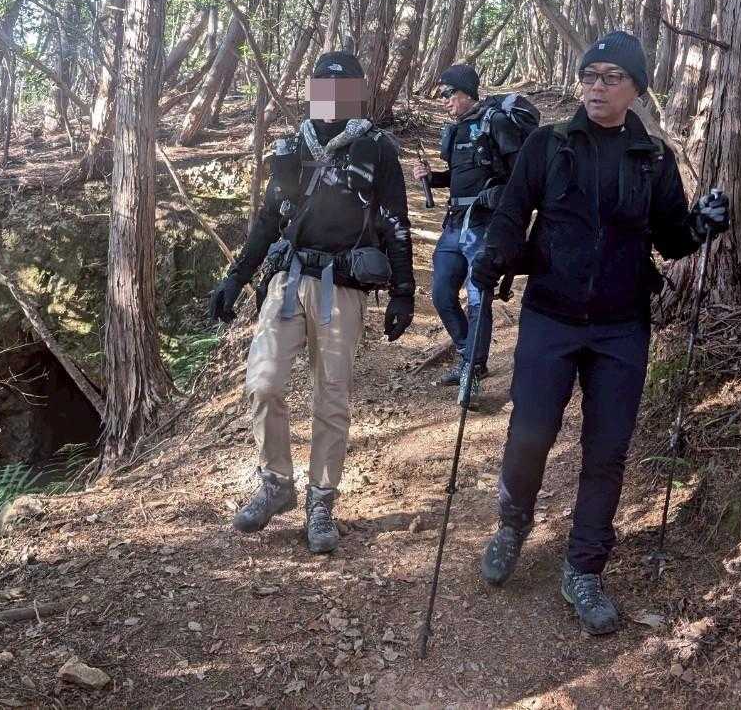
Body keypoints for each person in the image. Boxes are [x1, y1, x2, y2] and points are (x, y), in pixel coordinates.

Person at [470, 30, 729, 634]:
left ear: (636, 89)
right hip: (549, 316)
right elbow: (512, 213)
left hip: (621, 327)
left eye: (612, 77)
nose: (596, 87)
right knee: (530, 432)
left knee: (607, 450)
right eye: (589, 75)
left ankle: (585, 567)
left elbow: (671, 239)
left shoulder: (653, 158)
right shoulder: (547, 144)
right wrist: (494, 254)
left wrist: (702, 225)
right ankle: (512, 525)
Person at [208, 52, 415, 554]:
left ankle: (321, 500)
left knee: (332, 397)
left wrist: (404, 291)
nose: (332, 96)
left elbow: (395, 222)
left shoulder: (376, 149)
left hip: (342, 285)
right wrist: (235, 279)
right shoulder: (291, 148)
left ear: (358, 93)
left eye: (342, 87)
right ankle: (276, 483)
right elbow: (267, 220)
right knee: (263, 383)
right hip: (288, 277)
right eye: (323, 85)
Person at [411, 63, 531, 404]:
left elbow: (522, 173)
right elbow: (459, 176)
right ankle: (469, 355)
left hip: (484, 226)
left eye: (448, 93)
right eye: (442, 95)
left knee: (478, 298)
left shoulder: (495, 123)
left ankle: (472, 369)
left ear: (466, 92)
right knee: (441, 293)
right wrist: (432, 178)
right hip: (453, 224)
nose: (444, 100)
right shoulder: (458, 130)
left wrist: (500, 198)